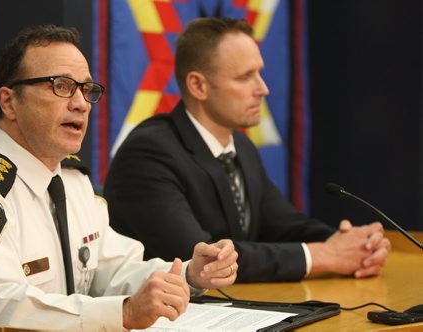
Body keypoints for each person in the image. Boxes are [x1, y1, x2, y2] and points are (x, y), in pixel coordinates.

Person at [0, 25, 238, 331]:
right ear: (9, 102)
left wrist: (187, 276)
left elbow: (110, 269)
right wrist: (125, 313)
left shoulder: (72, 180)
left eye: (87, 90)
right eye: (60, 85)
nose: (80, 104)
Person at [104, 17, 391, 283]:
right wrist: (325, 256)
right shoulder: (148, 154)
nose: (263, 88)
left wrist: (353, 245)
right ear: (198, 86)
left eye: (260, 74)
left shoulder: (240, 145)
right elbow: (203, 259)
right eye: (244, 77)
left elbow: (285, 225)